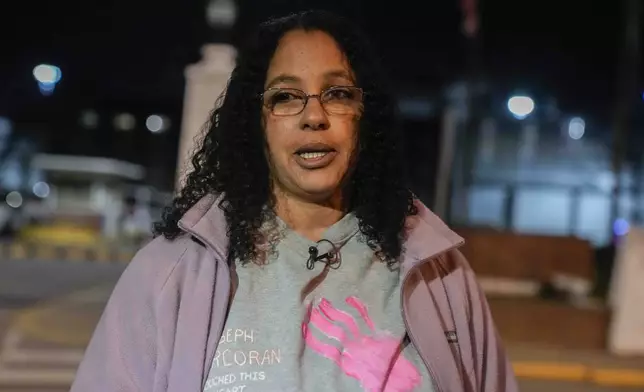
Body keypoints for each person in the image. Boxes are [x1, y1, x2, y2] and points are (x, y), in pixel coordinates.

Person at [71, 10, 517, 392]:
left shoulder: (439, 276)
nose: (314, 116)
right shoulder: (172, 273)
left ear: (365, 117)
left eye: (337, 94)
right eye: (285, 97)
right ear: (256, 124)